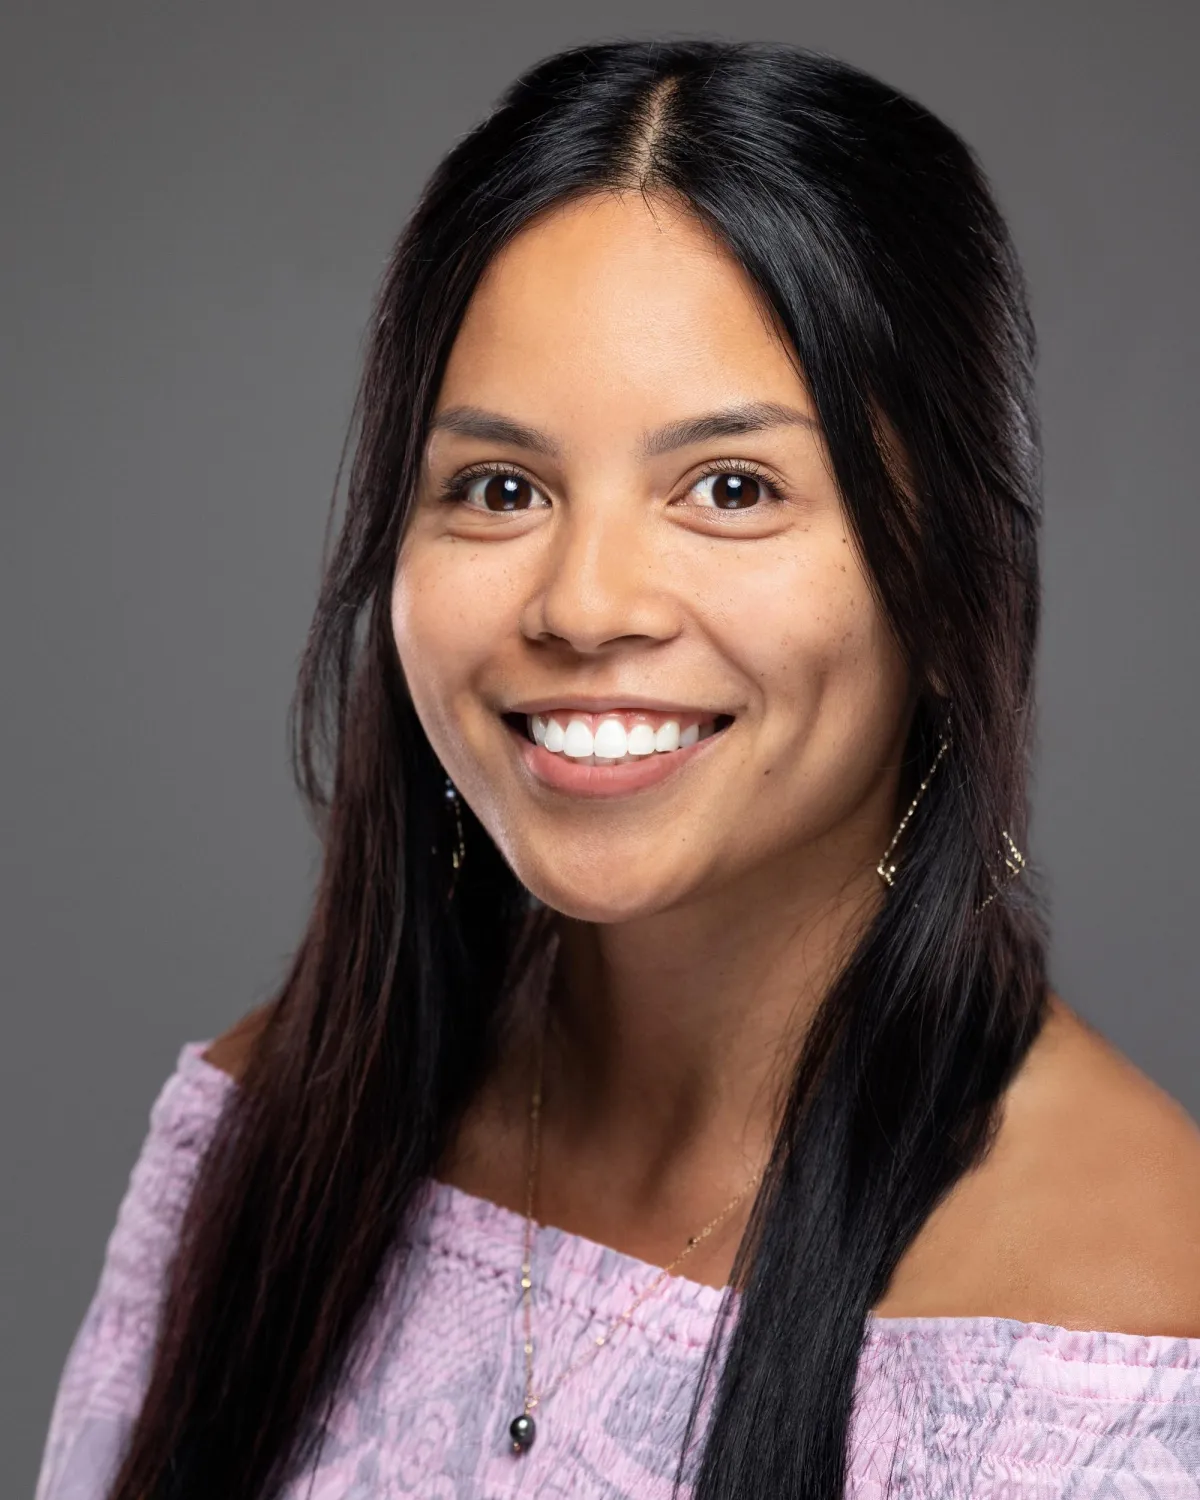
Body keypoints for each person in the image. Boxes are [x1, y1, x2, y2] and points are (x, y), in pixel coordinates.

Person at [35, 37, 1200, 1500]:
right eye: (500, 488)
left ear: (950, 584)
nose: (585, 604)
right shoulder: (281, 1124)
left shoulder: (1108, 1314)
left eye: (730, 488)